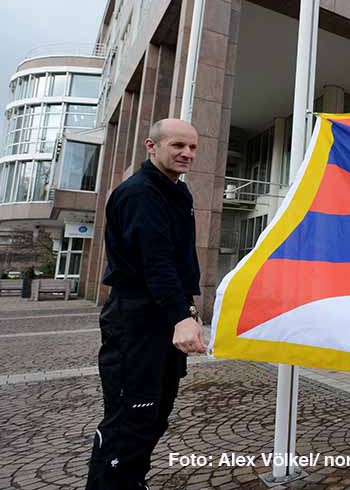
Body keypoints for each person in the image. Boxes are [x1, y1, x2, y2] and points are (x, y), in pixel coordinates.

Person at [87, 118, 206, 490]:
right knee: (131, 416)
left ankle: (131, 483)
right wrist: (181, 317)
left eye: (192, 147)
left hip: (162, 318)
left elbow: (176, 261)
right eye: (177, 146)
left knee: (154, 415)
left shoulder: (176, 192)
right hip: (136, 319)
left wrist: (185, 312)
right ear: (151, 146)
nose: (187, 153)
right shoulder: (141, 193)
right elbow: (155, 262)